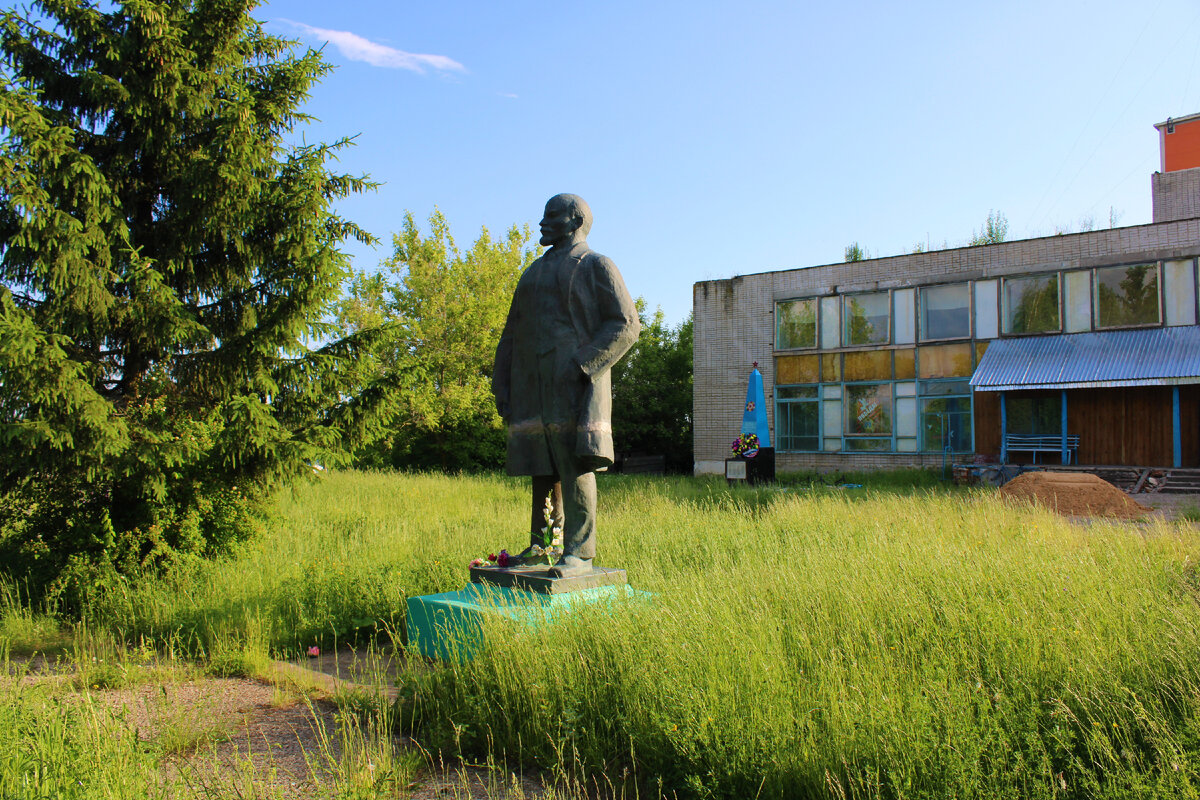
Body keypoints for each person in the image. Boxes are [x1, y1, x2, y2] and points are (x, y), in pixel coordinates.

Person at [491, 194, 640, 577]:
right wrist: (503, 382)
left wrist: (582, 364)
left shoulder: (596, 265)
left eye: (552, 215)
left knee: (574, 463)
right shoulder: (532, 273)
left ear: (575, 221)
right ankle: (543, 545)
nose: (543, 222)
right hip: (532, 386)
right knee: (543, 465)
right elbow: (511, 334)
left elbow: (626, 324)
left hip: (575, 385)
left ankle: (579, 550)